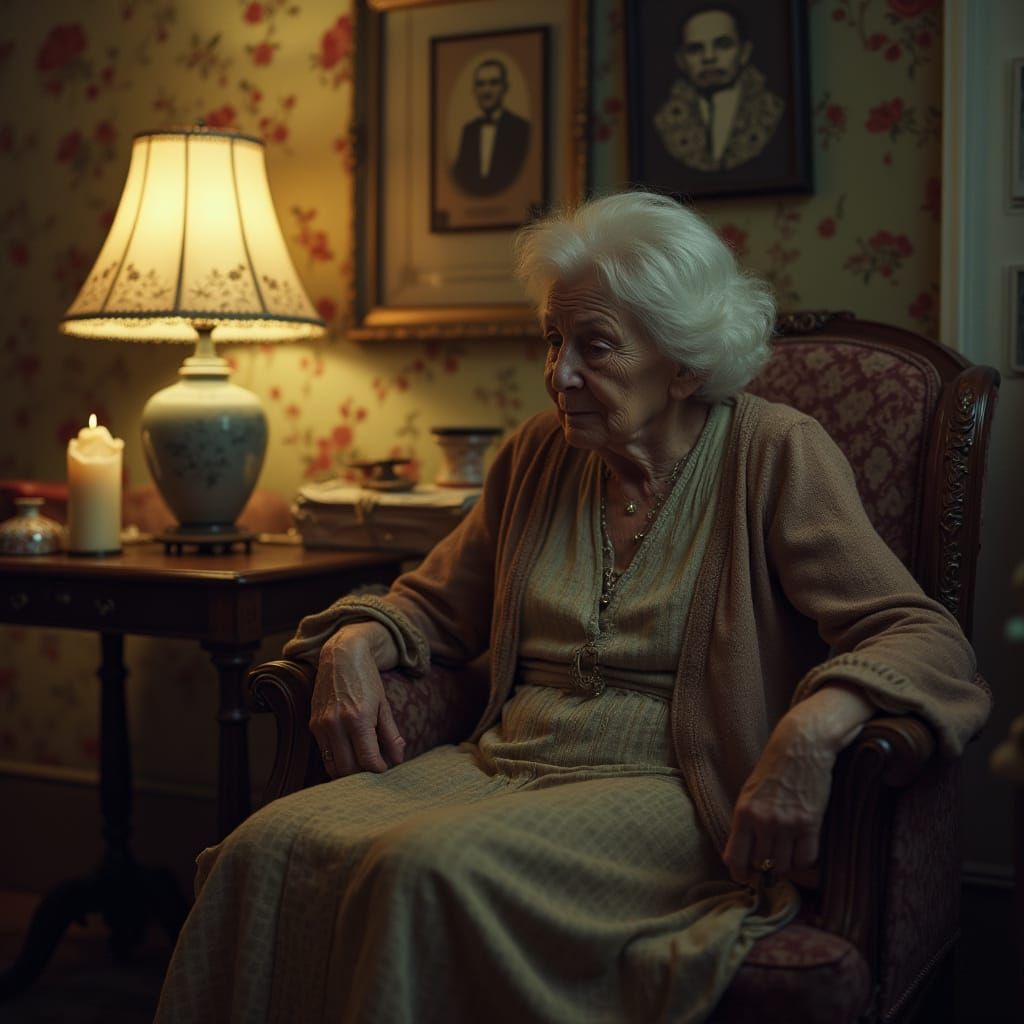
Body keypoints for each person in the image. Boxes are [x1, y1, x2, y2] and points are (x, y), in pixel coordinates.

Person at [154, 191, 989, 1023]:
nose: (560, 374)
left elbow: (919, 634)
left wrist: (814, 726)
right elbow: (435, 604)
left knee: (422, 869)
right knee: (265, 849)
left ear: (684, 363)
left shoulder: (772, 452)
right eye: (554, 340)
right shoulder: (537, 455)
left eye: (596, 346)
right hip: (499, 763)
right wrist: (353, 643)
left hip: (668, 785)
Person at [654, 4, 784, 172]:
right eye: (695, 49)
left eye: (723, 45)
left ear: (744, 52)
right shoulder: (664, 120)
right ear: (680, 60)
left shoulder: (772, 110)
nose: (709, 57)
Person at [450, 57, 531, 196]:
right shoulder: (469, 131)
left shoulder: (520, 129)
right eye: (481, 84)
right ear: (474, 90)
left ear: (504, 87)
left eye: (493, 83)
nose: (487, 90)